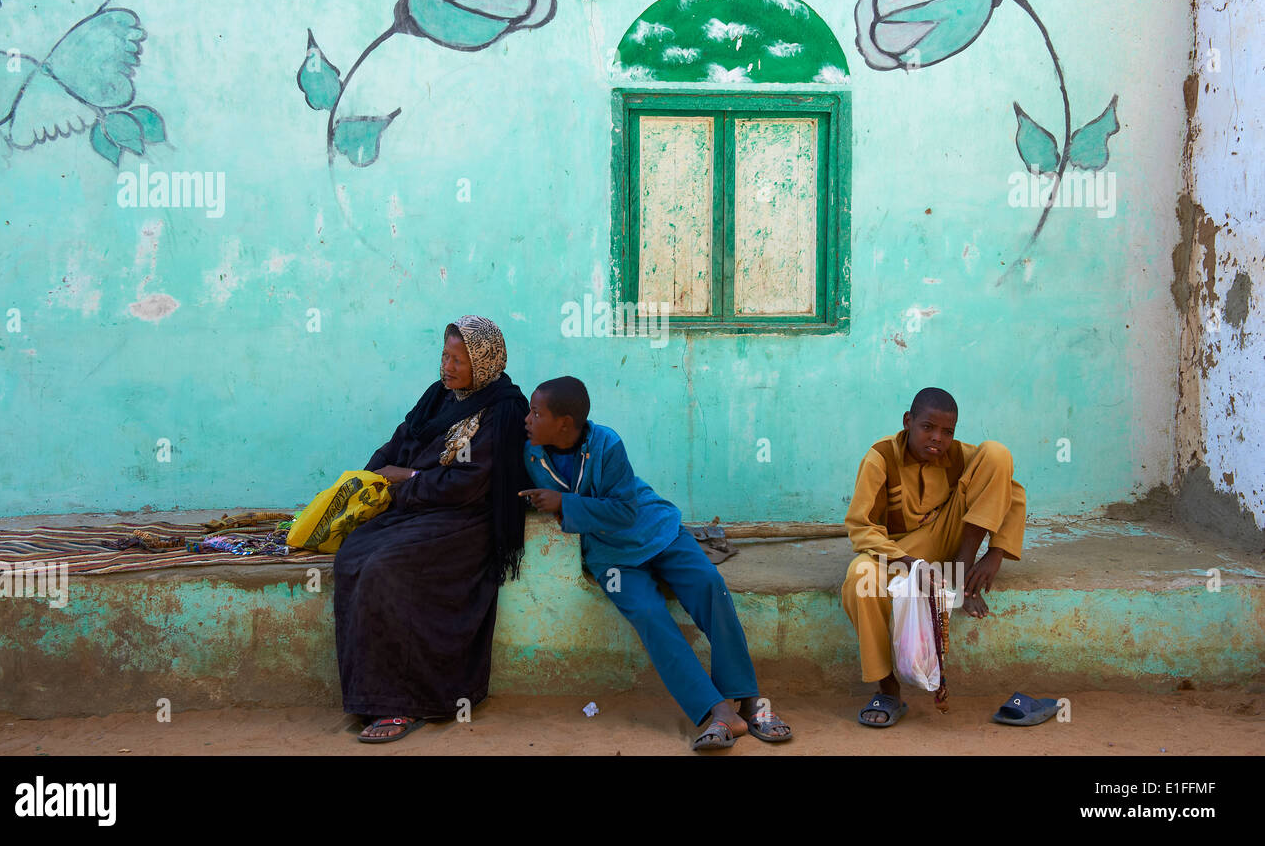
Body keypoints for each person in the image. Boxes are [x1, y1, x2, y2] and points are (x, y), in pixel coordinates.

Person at [519, 375, 792, 751]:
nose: (527, 419)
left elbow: (626, 511)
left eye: (536, 413)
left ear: (565, 423)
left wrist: (565, 504)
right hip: (611, 558)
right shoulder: (532, 456)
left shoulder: (606, 444)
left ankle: (748, 699)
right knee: (649, 615)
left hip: (656, 530)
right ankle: (718, 712)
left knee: (710, 585)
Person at [333, 315, 529, 742]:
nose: (448, 367)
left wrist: (405, 481)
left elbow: (468, 482)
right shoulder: (439, 396)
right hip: (415, 509)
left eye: (459, 359)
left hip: (463, 520)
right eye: (445, 356)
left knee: (388, 567)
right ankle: (366, 696)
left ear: (484, 359)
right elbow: (399, 441)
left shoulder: (505, 409)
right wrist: (370, 479)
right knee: (352, 556)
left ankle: (401, 704)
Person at [840, 386, 1026, 727]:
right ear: (908, 422)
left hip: (954, 544)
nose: (937, 439)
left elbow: (1008, 489)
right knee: (859, 577)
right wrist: (910, 565)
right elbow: (860, 527)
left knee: (997, 454)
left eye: (947, 431)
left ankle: (960, 576)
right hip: (904, 552)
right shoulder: (880, 458)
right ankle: (888, 689)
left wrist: (995, 553)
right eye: (928, 427)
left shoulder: (957, 455)